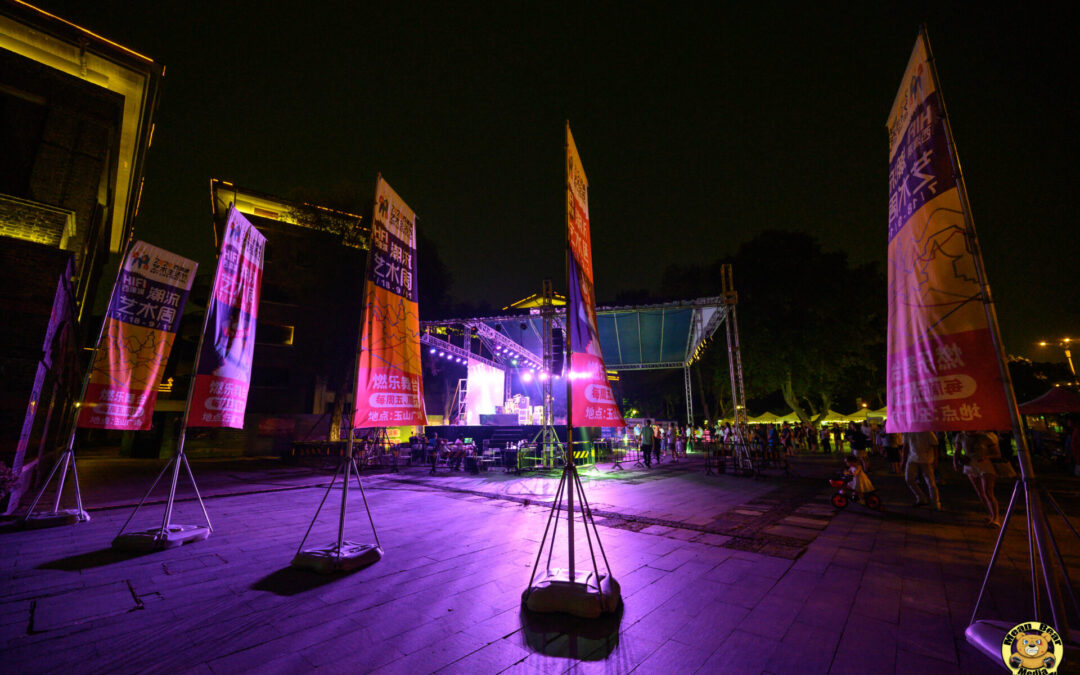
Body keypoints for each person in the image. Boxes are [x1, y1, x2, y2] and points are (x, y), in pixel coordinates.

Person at [955, 431, 1001, 526]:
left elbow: (997, 453)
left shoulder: (986, 437)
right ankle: (990, 514)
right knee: (980, 493)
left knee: (988, 492)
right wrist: (955, 462)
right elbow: (957, 451)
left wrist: (985, 457)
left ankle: (996, 518)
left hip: (985, 466)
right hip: (970, 466)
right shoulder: (961, 436)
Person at [904, 430, 941, 510]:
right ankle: (921, 497)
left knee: (930, 482)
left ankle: (935, 503)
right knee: (909, 479)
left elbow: (935, 445)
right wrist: (903, 460)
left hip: (926, 460)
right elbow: (906, 446)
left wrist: (936, 459)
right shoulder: (908, 432)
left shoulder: (928, 432)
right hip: (912, 458)